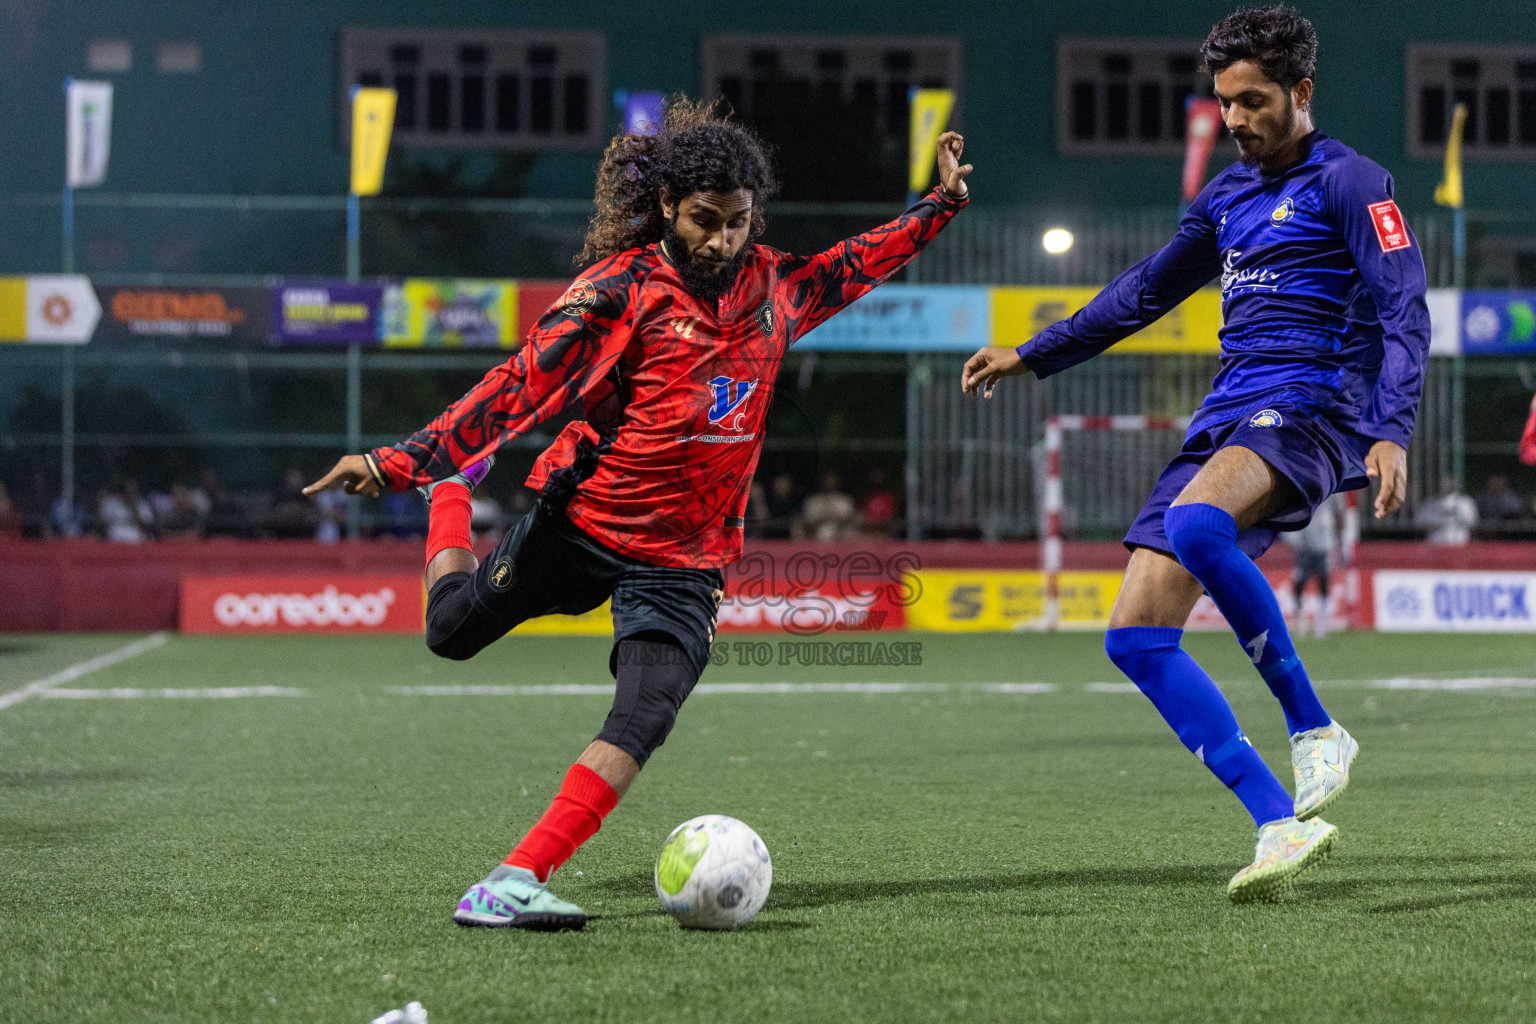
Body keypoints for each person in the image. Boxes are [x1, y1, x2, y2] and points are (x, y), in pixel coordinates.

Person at [305, 98, 972, 930]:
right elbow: (516, 386)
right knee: (450, 632)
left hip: (686, 557)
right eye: (705, 221)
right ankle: (453, 492)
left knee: (647, 709)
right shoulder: (616, 293)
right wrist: (403, 462)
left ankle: (512, 881)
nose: (723, 241)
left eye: (738, 222)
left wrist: (938, 207)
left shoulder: (778, 286)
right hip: (582, 521)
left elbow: (857, 262)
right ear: (666, 207)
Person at [961, 6, 1429, 901]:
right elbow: (1141, 293)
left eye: (1254, 101)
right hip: (1229, 414)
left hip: (1314, 405)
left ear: (1301, 91)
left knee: (1197, 523)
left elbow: (1403, 308)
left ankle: (1315, 727)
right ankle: (1279, 825)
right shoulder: (1224, 199)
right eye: (1224, 104)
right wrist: (1035, 352)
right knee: (1135, 636)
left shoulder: (1353, 182)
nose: (1237, 120)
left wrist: (1391, 426)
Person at [1288, 492, 1342, 639]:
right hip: (1304, 546)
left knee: (1324, 582)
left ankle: (1322, 623)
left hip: (1323, 546)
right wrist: (1294, 539)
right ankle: (1299, 620)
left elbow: (1339, 516)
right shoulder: (1302, 491)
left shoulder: (1333, 493)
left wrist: (1338, 540)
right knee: (1299, 583)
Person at [1416, 475, 1476, 545]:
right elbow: (1420, 522)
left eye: (1448, 482)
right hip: (1436, 540)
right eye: (1443, 482)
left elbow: (1472, 521)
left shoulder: (1465, 502)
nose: (1446, 485)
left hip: (1459, 540)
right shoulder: (1430, 503)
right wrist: (1439, 522)